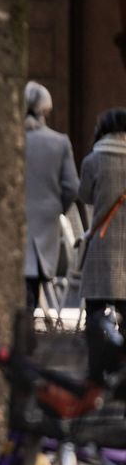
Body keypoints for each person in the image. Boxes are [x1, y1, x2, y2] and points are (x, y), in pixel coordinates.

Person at [23, 81, 79, 311]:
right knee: (35, 277)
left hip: (13, 220)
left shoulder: (10, 139)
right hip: (46, 220)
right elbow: (72, 186)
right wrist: (58, 207)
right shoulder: (59, 142)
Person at [79, 107, 126, 377]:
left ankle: (96, 374)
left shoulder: (93, 160)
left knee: (95, 313)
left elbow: (84, 195)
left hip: (102, 246)